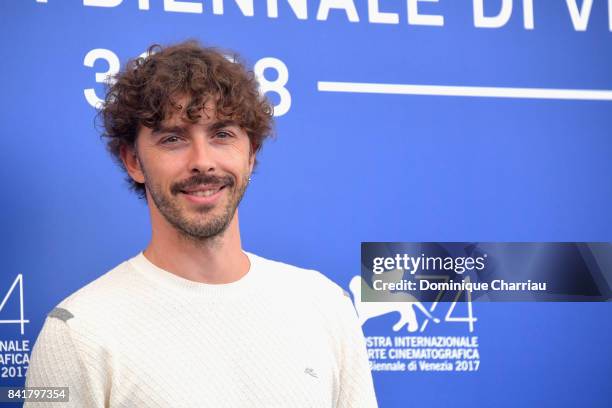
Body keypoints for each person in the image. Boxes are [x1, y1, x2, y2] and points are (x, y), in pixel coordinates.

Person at [25, 40, 378, 408]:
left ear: (251, 154)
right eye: (173, 138)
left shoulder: (325, 305)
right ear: (133, 161)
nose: (202, 162)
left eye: (222, 134)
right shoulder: (77, 331)